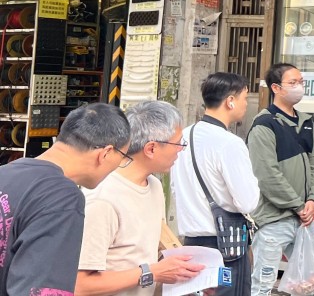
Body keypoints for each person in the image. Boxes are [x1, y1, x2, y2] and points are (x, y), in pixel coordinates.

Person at [0, 103, 130, 296]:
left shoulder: (6, 172)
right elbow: (40, 290)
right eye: (123, 157)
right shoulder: (62, 197)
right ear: (106, 153)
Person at [77, 100, 203, 296]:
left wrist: (188, 280)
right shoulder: (102, 198)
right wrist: (152, 272)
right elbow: (81, 285)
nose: (181, 149)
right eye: (178, 143)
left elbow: (149, 264)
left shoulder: (153, 185)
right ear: (151, 148)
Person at [172, 72, 261, 296]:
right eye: (244, 97)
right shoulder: (230, 143)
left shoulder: (183, 136)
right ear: (230, 101)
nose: (245, 104)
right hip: (226, 245)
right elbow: (248, 202)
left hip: (191, 242)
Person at [247, 63, 314, 296]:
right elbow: (267, 174)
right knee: (262, 284)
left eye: (301, 82)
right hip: (274, 219)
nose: (299, 87)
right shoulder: (264, 124)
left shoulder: (307, 122)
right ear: (276, 88)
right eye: (293, 83)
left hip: (306, 220)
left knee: (307, 284)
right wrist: (298, 205)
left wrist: (313, 200)